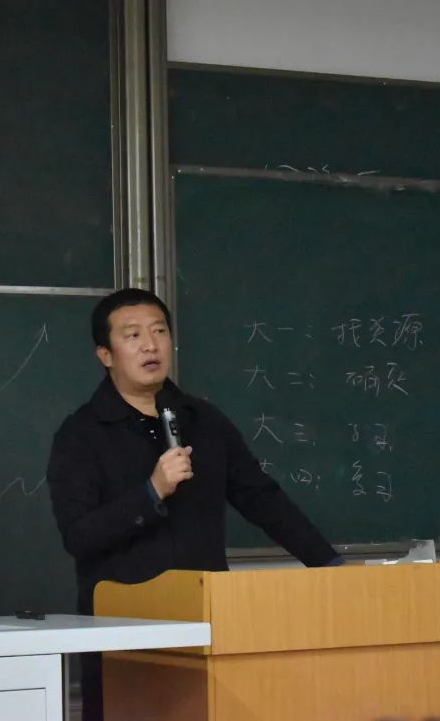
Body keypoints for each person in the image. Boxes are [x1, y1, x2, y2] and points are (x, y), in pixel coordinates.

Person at [46, 288, 343, 721]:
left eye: (159, 332)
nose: (150, 345)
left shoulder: (204, 421)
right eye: (133, 335)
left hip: (206, 626)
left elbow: (262, 498)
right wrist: (151, 492)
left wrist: (331, 566)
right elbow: (79, 536)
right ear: (105, 355)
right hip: (125, 635)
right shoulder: (82, 435)